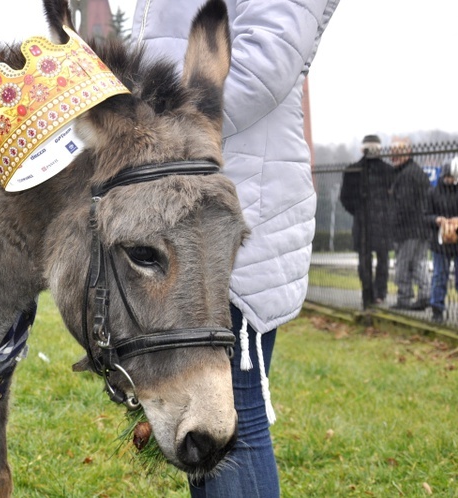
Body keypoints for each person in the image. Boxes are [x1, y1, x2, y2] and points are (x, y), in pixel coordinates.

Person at [131, 1, 339, 497]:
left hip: (230, 217)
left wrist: (136, 126)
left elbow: (263, 66)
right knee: (207, 421)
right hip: (201, 211)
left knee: (231, 421)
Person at [340, 135, 395, 307]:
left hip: (362, 221)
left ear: (362, 149)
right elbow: (394, 197)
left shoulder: (352, 170)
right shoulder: (388, 170)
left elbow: (345, 198)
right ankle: (380, 293)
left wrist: (357, 211)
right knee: (383, 259)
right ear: (379, 149)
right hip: (383, 220)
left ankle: (367, 293)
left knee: (364, 260)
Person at [389, 137, 431, 310]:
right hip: (422, 227)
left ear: (406, 155)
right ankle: (425, 295)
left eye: (397, 154)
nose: (393, 158)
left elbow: (403, 205)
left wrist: (394, 223)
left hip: (408, 229)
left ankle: (404, 297)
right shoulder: (417, 172)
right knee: (419, 263)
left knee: (403, 265)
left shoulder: (405, 175)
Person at [424, 156, 458, 323]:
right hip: (440, 242)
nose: (450, 180)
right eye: (448, 177)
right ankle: (437, 309)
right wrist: (437, 219)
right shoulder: (433, 192)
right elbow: (425, 216)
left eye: (453, 177)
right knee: (439, 276)